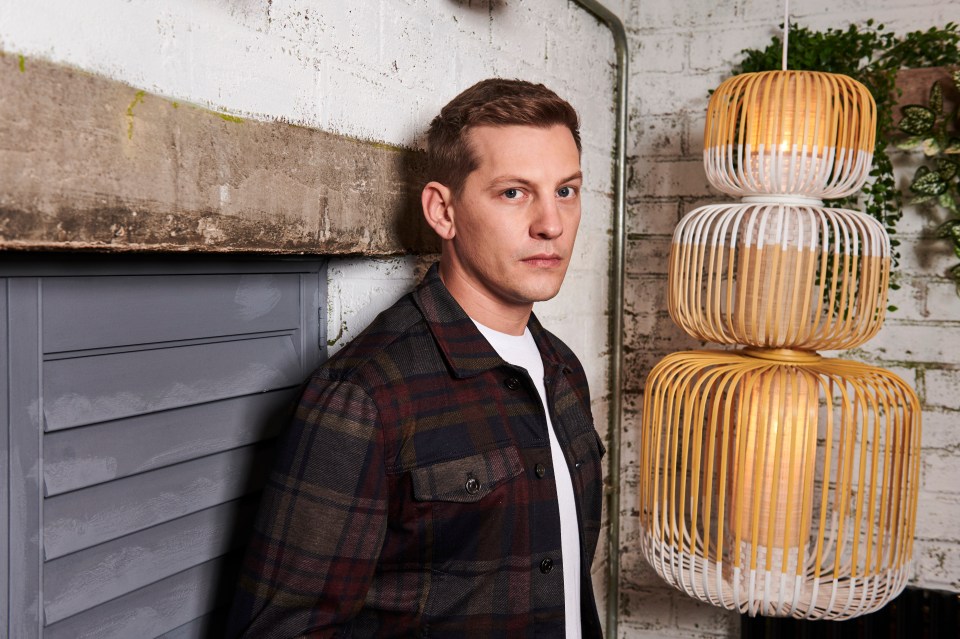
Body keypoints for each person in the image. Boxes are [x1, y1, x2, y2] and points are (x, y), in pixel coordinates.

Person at [227, 78, 605, 638]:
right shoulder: (366, 395)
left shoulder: (564, 370)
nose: (551, 223)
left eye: (566, 191)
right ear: (443, 211)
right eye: (514, 193)